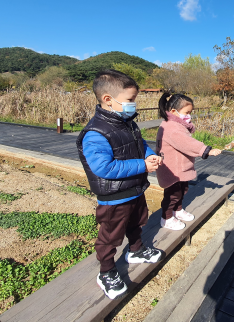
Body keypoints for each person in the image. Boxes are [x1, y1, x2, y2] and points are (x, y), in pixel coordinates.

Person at [76, 69, 163, 300]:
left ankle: (136, 250)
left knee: (137, 222)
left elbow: (140, 144)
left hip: (135, 189)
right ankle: (106, 271)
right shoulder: (95, 133)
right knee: (110, 236)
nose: (133, 104)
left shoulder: (128, 123)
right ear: (108, 100)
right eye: (130, 100)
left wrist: (150, 155)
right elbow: (104, 168)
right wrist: (143, 166)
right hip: (114, 197)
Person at [155, 93, 222, 230]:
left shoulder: (174, 124)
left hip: (178, 167)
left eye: (190, 112)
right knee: (172, 195)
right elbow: (187, 143)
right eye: (187, 112)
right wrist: (206, 150)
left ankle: (177, 210)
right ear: (174, 111)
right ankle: (166, 218)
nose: (189, 115)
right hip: (172, 169)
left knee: (182, 190)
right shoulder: (172, 127)